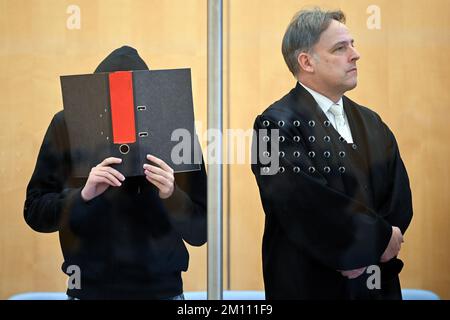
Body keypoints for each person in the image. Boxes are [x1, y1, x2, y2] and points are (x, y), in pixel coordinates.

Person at [251, 9, 413, 299]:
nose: (355, 54)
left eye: (352, 44)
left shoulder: (372, 122)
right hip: (310, 285)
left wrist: (377, 246)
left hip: (378, 284)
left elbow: (398, 196)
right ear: (306, 62)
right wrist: (360, 248)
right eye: (341, 48)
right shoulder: (273, 126)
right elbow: (301, 203)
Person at [24, 46, 207, 300]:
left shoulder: (175, 128)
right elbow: (35, 213)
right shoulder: (65, 125)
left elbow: (201, 232)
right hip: (89, 289)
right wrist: (83, 195)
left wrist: (171, 194)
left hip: (161, 291)